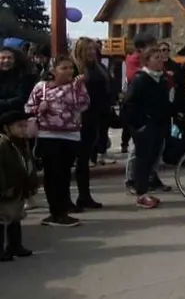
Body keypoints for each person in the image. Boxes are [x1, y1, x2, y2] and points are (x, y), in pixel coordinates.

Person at [25, 56, 90, 227]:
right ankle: (56, 213)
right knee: (52, 174)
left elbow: (84, 104)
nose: (69, 71)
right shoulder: (41, 87)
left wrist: (79, 86)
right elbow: (28, 107)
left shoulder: (75, 86)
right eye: (64, 68)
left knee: (65, 173)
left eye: (71, 68)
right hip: (48, 135)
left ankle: (62, 210)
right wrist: (40, 108)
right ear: (53, 70)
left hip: (71, 135)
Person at [120, 47, 173, 209]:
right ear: (147, 60)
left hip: (159, 125)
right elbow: (129, 104)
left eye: (161, 57)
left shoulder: (162, 80)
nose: (160, 60)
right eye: (156, 57)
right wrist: (140, 125)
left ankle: (146, 190)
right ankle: (140, 194)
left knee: (152, 158)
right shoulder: (140, 79)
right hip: (145, 126)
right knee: (142, 160)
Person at [70, 38, 111, 209]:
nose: (92, 53)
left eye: (93, 49)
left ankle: (84, 196)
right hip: (79, 119)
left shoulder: (99, 67)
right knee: (74, 160)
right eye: (88, 50)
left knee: (84, 161)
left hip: (95, 117)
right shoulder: (74, 68)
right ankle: (66, 199)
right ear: (79, 51)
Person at [0, 110, 38, 260]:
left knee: (16, 216)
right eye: (19, 126)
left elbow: (28, 165)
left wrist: (31, 184)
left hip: (19, 187)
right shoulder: (2, 144)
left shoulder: (22, 143)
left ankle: (15, 246)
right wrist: (3, 188)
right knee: (2, 218)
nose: (23, 129)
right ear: (6, 128)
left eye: (25, 126)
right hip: (6, 189)